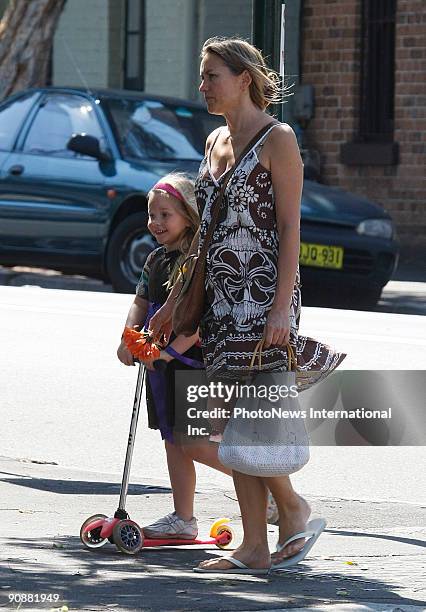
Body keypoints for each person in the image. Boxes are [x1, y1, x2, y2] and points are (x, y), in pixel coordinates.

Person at [149, 37, 346, 573]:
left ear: (243, 79)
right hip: (218, 301)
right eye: (202, 74)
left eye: (212, 74)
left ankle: (281, 518)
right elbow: (204, 233)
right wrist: (174, 301)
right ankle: (262, 537)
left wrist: (281, 307)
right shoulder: (215, 141)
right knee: (233, 425)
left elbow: (289, 227)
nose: (203, 84)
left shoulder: (278, 139)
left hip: (263, 300)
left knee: (247, 422)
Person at [117, 172, 231, 539]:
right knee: (173, 441)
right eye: (152, 215)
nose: (156, 223)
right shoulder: (155, 259)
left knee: (194, 441)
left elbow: (196, 322)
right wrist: (130, 338)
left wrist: (167, 353)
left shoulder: (197, 261)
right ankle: (183, 519)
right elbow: (141, 301)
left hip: (190, 364)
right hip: (159, 364)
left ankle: (263, 485)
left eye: (165, 215)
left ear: (188, 214)